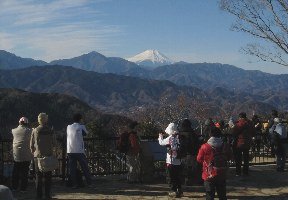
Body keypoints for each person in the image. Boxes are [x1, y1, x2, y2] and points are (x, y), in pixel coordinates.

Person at [197, 127, 232, 200]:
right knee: (222, 194)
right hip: (222, 172)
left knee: (209, 194)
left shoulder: (205, 146)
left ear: (210, 135)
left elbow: (199, 159)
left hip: (209, 174)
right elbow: (229, 157)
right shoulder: (225, 145)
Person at [30, 113, 54, 199]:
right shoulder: (50, 130)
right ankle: (47, 195)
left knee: (38, 176)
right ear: (46, 119)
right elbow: (53, 142)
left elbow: (31, 145)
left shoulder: (35, 130)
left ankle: (38, 195)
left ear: (38, 120)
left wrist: (34, 152)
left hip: (38, 156)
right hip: (48, 156)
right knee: (48, 176)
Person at [66, 113, 92, 188]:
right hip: (79, 151)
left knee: (72, 169)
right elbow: (86, 134)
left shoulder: (68, 127)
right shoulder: (81, 126)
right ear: (80, 119)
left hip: (70, 150)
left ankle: (74, 184)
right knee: (85, 167)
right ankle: (89, 183)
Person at [158, 123, 183, 198]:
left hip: (171, 161)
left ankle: (173, 191)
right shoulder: (179, 137)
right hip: (179, 160)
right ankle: (180, 190)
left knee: (171, 177)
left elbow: (161, 142)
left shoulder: (170, 138)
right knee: (177, 176)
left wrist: (160, 136)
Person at [11, 117, 33, 192]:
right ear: (26, 123)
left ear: (19, 123)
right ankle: (23, 188)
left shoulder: (13, 131)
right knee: (25, 172)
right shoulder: (29, 131)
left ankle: (14, 187)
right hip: (26, 155)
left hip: (16, 154)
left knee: (16, 171)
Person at [178, 118, 200, 186]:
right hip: (192, 154)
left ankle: (184, 180)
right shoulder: (193, 134)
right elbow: (197, 144)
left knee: (183, 168)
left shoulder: (179, 134)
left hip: (182, 154)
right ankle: (191, 181)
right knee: (191, 168)